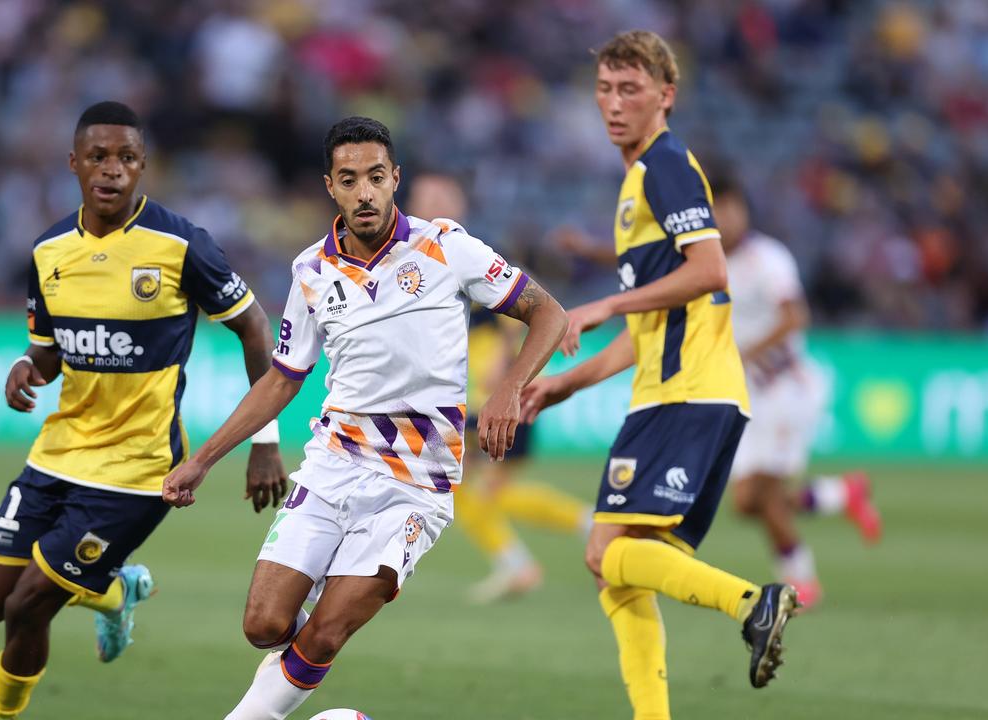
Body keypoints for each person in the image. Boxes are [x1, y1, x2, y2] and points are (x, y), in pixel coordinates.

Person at [162, 116, 568, 720]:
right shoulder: (310, 272)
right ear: (331, 186)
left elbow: (549, 313)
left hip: (413, 485)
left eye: (376, 177)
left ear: (394, 178)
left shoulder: (444, 246)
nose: (365, 192)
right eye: (349, 180)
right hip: (332, 465)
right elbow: (281, 379)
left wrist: (510, 389)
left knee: (325, 634)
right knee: (265, 624)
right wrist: (201, 459)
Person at [0, 101, 287, 720]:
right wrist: (26, 367)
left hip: (137, 471)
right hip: (58, 452)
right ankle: (113, 589)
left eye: (126, 159)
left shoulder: (181, 244)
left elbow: (255, 330)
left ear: (143, 166)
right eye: (98, 157)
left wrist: (265, 441)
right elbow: (49, 352)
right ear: (74, 164)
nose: (111, 170)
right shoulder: (49, 251)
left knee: (28, 603)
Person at [520, 31, 799, 719]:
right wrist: (568, 382)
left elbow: (709, 272)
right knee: (620, 570)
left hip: (687, 395)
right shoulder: (638, 181)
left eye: (631, 90)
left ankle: (752, 602)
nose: (614, 105)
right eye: (605, 91)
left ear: (666, 95)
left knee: (604, 553)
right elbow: (651, 328)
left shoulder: (663, 167)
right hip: (689, 394)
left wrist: (604, 302)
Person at [407, 172, 594, 604]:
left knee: (467, 486)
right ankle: (534, 554)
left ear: (459, 204)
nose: (431, 202)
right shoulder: (415, 257)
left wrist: (504, 372)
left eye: (441, 195)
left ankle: (563, 538)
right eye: (424, 196)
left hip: (483, 397)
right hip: (464, 395)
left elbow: (519, 310)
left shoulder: (471, 253)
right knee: (479, 489)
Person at [716, 174, 883, 608]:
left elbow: (795, 316)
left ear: (742, 209)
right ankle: (838, 494)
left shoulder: (767, 257)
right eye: (711, 209)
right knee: (746, 502)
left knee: (760, 495)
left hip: (786, 390)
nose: (720, 218)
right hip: (751, 394)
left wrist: (746, 352)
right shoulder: (708, 262)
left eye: (726, 207)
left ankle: (802, 582)